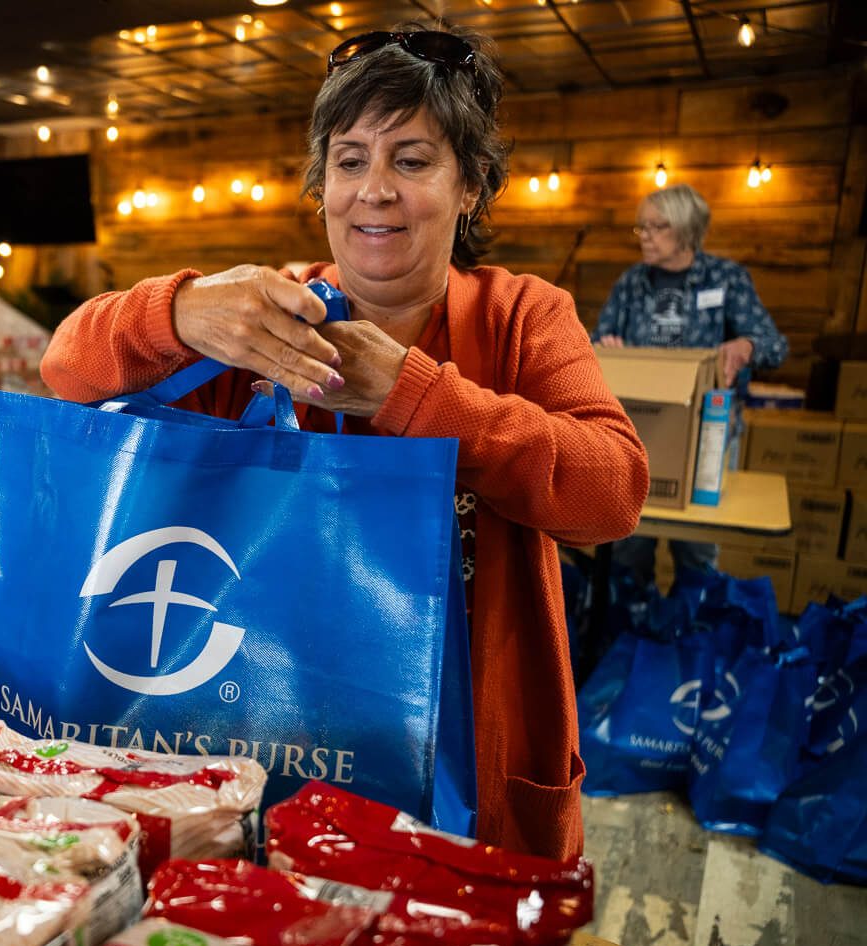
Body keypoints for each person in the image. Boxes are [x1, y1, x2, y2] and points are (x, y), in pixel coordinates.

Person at [41, 22, 648, 860]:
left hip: (469, 764)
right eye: (350, 159)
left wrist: (411, 393)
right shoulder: (263, 316)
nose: (374, 190)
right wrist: (177, 309)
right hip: (261, 744)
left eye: (412, 159)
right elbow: (64, 367)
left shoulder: (522, 317)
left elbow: (611, 492)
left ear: (470, 185)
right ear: (321, 183)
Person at [595, 184, 787, 584]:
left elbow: (775, 345)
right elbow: (598, 343)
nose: (645, 235)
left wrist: (746, 346)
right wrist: (606, 347)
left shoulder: (726, 279)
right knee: (628, 546)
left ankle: (692, 633)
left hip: (708, 435)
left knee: (697, 551)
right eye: (640, 227)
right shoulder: (632, 282)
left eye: (656, 226)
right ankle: (631, 633)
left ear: (686, 230)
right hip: (642, 432)